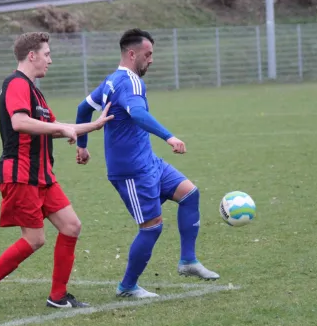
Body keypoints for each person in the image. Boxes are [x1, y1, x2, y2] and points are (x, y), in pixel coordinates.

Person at [0, 32, 113, 312]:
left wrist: (91, 128)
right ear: (31, 55)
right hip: (20, 174)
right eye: (46, 54)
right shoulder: (16, 84)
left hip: (42, 175)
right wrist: (62, 129)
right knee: (35, 239)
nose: (50, 60)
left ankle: (58, 296)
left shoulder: (34, 91)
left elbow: (55, 127)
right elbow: (19, 122)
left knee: (71, 226)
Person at [74, 28, 220, 299]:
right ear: (132, 54)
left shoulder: (112, 80)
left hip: (148, 161)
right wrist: (169, 136)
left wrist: (82, 146)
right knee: (151, 226)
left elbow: (84, 108)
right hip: (130, 170)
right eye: (148, 54)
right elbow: (137, 113)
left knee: (189, 194)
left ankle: (188, 261)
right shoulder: (130, 82)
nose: (151, 59)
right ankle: (127, 286)